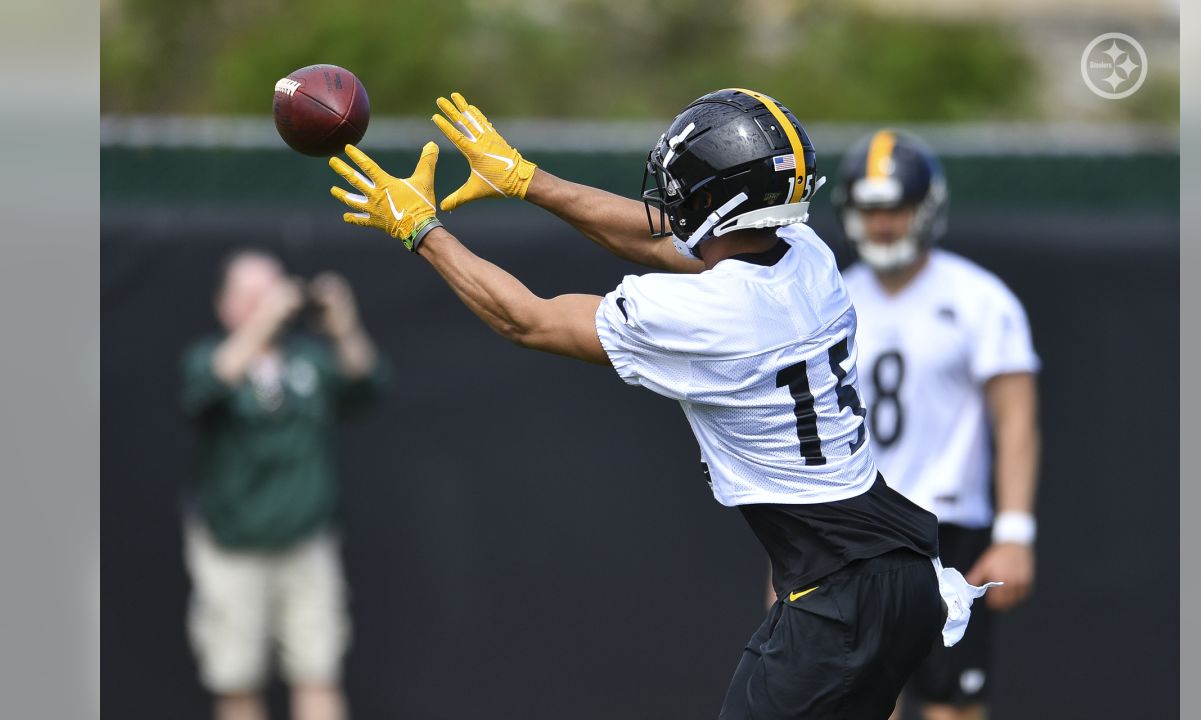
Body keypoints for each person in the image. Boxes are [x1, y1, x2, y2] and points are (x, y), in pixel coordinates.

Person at [324, 88, 993, 719]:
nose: (672, 198)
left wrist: (422, 229)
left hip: (838, 589)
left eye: (687, 187)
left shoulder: (713, 313)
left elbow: (526, 320)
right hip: (899, 568)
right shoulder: (807, 255)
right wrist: (528, 180)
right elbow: (654, 236)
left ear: (722, 203)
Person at [832, 130, 1041, 720]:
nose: (882, 225)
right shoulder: (831, 298)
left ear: (925, 208)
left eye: (894, 208)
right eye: (870, 210)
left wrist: (1015, 532)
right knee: (860, 701)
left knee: (951, 703)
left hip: (948, 526)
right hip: (858, 529)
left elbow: (1017, 418)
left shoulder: (978, 298)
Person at [180, 251, 384, 720]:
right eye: (251, 296)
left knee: (318, 671)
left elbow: (367, 384)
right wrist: (261, 325)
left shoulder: (308, 361)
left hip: (306, 546)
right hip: (233, 551)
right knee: (237, 680)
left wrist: (345, 326)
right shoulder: (209, 357)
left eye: (272, 291)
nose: (267, 303)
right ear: (225, 305)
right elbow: (203, 390)